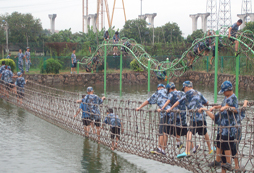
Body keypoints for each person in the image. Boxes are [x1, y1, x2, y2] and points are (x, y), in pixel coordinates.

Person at [199, 81, 240, 172]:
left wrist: (226, 108)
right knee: (218, 142)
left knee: (226, 145)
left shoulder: (233, 97)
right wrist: (215, 107)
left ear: (229, 90)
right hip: (222, 125)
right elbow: (222, 105)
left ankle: (229, 163)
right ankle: (217, 160)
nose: (224, 94)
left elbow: (236, 110)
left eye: (224, 91)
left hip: (229, 127)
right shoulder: (226, 97)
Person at [167, 81, 214, 158]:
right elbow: (206, 103)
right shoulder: (199, 93)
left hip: (194, 117)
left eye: (184, 89)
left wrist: (171, 108)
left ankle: (187, 151)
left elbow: (178, 102)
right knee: (205, 132)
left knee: (189, 133)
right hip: (202, 117)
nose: (184, 90)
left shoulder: (187, 94)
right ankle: (210, 149)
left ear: (186, 87)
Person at [136, 84, 170, 155]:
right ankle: (163, 149)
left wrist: (139, 107)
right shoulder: (168, 91)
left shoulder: (158, 93)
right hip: (172, 113)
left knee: (161, 132)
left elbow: (148, 101)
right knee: (165, 132)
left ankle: (160, 149)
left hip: (164, 113)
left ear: (158, 88)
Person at [158, 82, 187, 149]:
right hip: (183, 114)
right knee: (184, 130)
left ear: (170, 89)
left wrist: (162, 108)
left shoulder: (172, 93)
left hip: (175, 115)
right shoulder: (182, 93)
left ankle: (162, 149)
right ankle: (190, 146)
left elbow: (168, 100)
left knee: (166, 131)